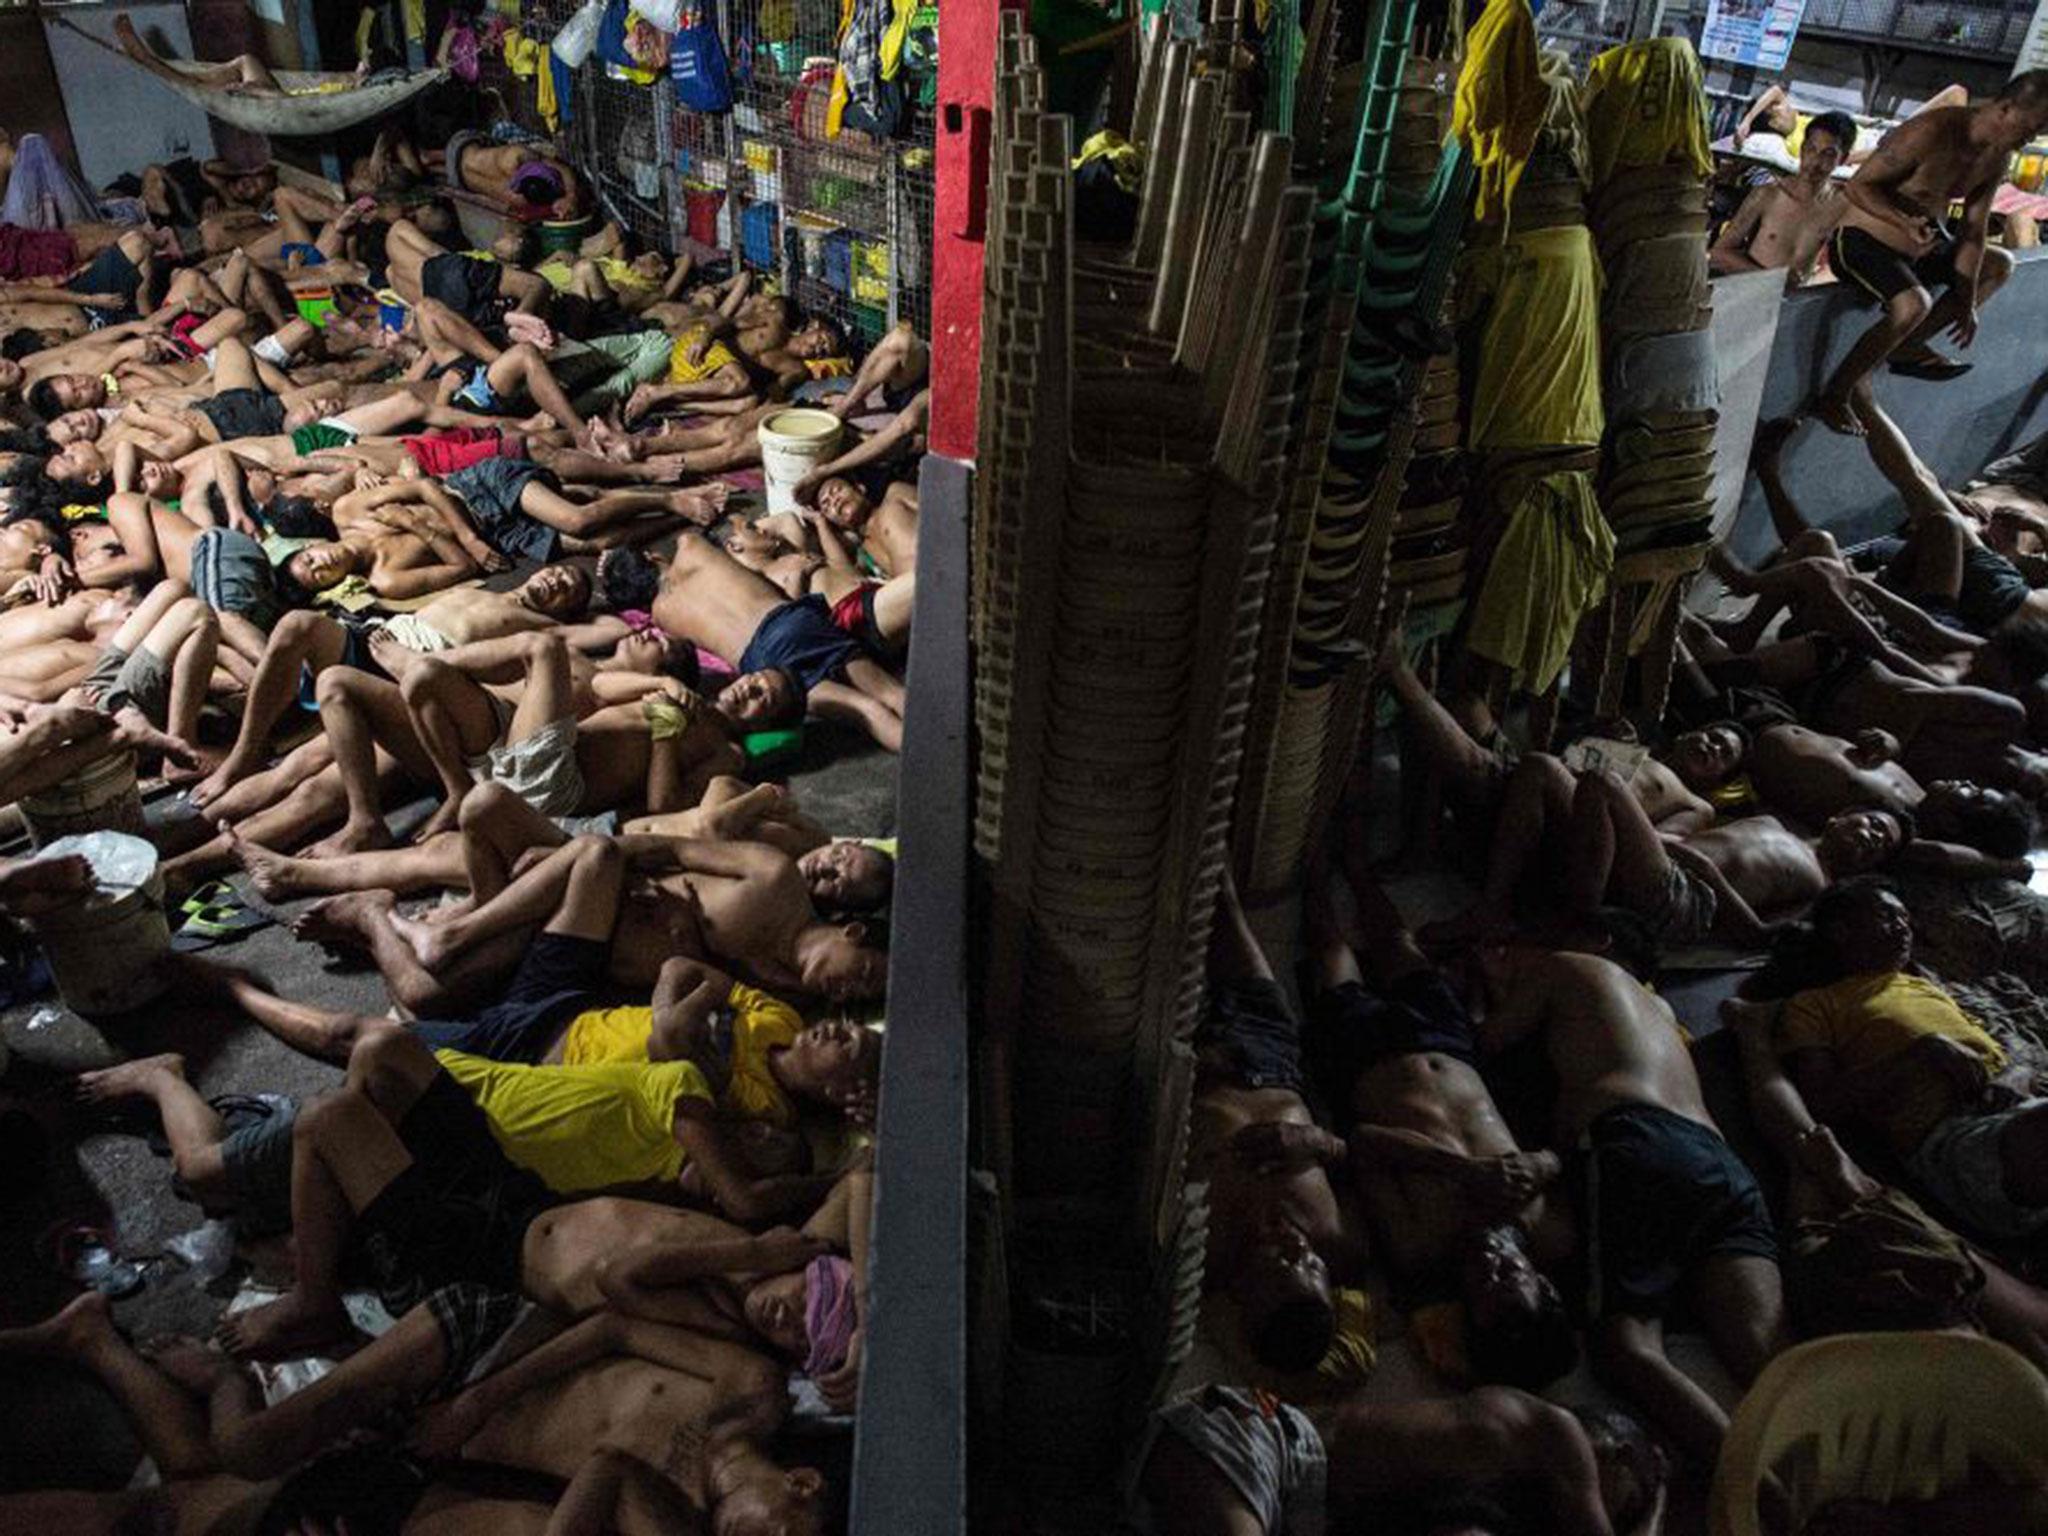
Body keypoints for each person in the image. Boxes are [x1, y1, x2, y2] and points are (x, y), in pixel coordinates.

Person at [1472, 944, 1790, 1466]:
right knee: (1770, 1358)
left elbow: (1485, 1043)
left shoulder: (1555, 965)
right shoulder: (1655, 1006)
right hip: (1719, 1161)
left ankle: (1757, 1491)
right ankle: (1843, 1485)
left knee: (1626, 1349)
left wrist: (1483, 996)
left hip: (1639, 1144)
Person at [1303, 864, 1578, 1390]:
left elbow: (1363, 1143)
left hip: (1369, 1063)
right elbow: (1561, 1153)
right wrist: (1537, 1163)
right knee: (1398, 944)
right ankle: (1356, 866)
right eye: (1510, 1276)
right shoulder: (1551, 1232)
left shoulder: (1421, 1245)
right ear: (1542, 1283)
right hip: (1453, 1052)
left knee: (1331, 949)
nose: (1490, 1265)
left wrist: (1464, 1171)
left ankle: (1315, 873)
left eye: (1481, 1286)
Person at [1767, 876, 2048, 1244]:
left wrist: (2017, 1077)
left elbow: (1998, 1051)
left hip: (2017, 1106)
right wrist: (1923, 1052)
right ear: (1841, 930)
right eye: (1887, 916)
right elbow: (1822, 1101)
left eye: (1905, 919)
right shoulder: (1815, 1004)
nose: (1904, 926)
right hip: (1952, 1137)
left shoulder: (1923, 986)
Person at [1188, 869, 1366, 1373]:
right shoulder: (1342, 1246)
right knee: (1223, 900)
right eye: (1313, 1266)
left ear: (1246, 1294)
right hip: (1269, 1056)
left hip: (1183, 1065)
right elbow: (1358, 1151)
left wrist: (1183, 1082)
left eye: (1286, 1264)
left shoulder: (1206, 1257)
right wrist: (1312, 1140)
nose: (1300, 1247)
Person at [1816, 72, 2048, 429]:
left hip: (1919, 247)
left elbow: (1973, 231)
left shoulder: (1997, 157)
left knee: (1999, 264)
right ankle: (1835, 395)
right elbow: (1858, 186)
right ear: (2006, 109)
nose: (2033, 137)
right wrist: (1902, 222)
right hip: (1860, 238)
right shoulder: (1932, 131)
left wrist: (1966, 301)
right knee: (1914, 304)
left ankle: (1906, 347)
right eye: (2034, 126)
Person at [599, 531, 906, 751]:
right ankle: (948, 737)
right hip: (787, 622)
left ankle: (931, 764)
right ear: (652, 556)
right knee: (887, 692)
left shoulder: (662, 616)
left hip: (760, 663)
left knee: (866, 711)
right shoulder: (689, 544)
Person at [1711, 109, 1856, 281]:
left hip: (1795, 302)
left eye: (1828, 154)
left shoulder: (1840, 205)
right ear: (1802, 149)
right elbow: (1718, 253)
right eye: (1811, 149)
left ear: (1842, 159)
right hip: (1751, 292)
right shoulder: (1767, 195)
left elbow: (1842, 264)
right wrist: (1773, 280)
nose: (1815, 162)